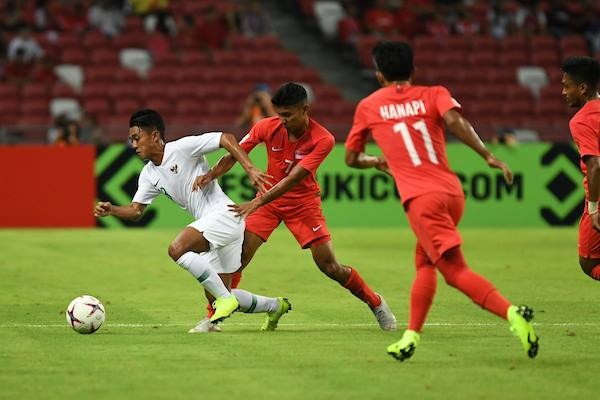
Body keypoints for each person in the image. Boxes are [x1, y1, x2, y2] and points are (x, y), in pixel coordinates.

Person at [344, 41, 539, 361]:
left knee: (454, 272)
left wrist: (377, 162)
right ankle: (410, 337)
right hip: (451, 193)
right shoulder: (435, 93)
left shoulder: (369, 105)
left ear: (379, 75)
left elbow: (351, 158)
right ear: (414, 71)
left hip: (422, 200)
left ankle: (513, 314)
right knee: (424, 262)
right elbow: (457, 123)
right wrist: (488, 155)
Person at [196, 82, 397, 331]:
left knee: (329, 266)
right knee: (236, 258)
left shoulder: (323, 139)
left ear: (305, 109)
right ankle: (214, 317)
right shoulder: (267, 126)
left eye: (288, 115)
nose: (282, 121)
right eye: (279, 114)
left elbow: (292, 180)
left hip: (303, 205)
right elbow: (236, 152)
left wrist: (257, 201)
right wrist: (212, 174)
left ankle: (375, 302)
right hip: (269, 203)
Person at [94, 109, 292, 333]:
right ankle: (275, 306)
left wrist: (250, 168)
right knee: (219, 294)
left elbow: (227, 138)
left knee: (177, 248)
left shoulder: (182, 148)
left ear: (156, 136)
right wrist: (112, 210)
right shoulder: (148, 174)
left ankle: (223, 305)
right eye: (131, 140)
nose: (133, 144)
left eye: (137, 138)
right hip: (222, 224)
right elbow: (136, 210)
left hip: (224, 215)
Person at [561, 56, 600, 280]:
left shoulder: (582, 120)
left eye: (567, 86)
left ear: (583, 87)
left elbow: (595, 166)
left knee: (589, 262)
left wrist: (594, 209)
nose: (563, 92)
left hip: (597, 198)